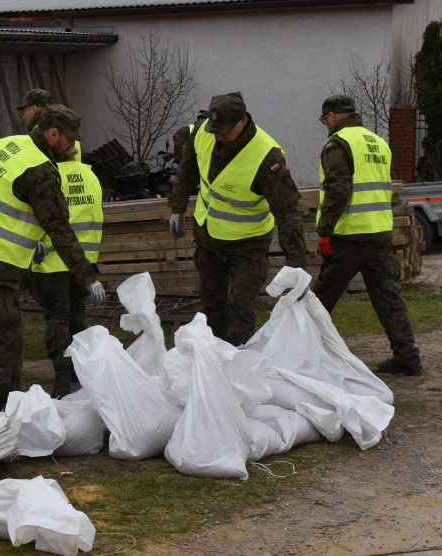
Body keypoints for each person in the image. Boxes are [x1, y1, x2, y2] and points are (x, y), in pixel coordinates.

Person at [0, 104, 107, 414]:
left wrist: (31, 242)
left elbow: (1, 196)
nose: (73, 148)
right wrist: (88, 278)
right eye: (70, 140)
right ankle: (8, 417)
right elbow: (61, 232)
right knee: (7, 344)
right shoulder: (42, 172)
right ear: (53, 133)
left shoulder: (8, 144)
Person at [168, 92, 307, 346]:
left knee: (241, 309)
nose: (218, 135)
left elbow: (288, 214)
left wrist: (297, 268)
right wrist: (177, 206)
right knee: (211, 305)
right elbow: (188, 168)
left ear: (243, 121)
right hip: (209, 238)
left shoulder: (267, 157)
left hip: (248, 245)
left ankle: (238, 364)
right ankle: (215, 358)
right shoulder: (203, 134)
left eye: (224, 130)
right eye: (215, 129)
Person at [311, 95, 422, 376]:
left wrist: (324, 232)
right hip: (380, 233)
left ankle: (303, 354)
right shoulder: (377, 142)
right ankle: (407, 356)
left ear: (334, 116)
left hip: (349, 234)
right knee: (389, 298)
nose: (326, 125)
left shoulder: (338, 144)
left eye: (325, 120)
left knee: (321, 299)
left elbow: (338, 190)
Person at [28, 153, 105, 398]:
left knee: (58, 319)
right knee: (77, 316)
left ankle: (62, 377)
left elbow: (37, 213)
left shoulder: (47, 175)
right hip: (85, 261)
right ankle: (77, 370)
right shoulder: (90, 176)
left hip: (53, 261)